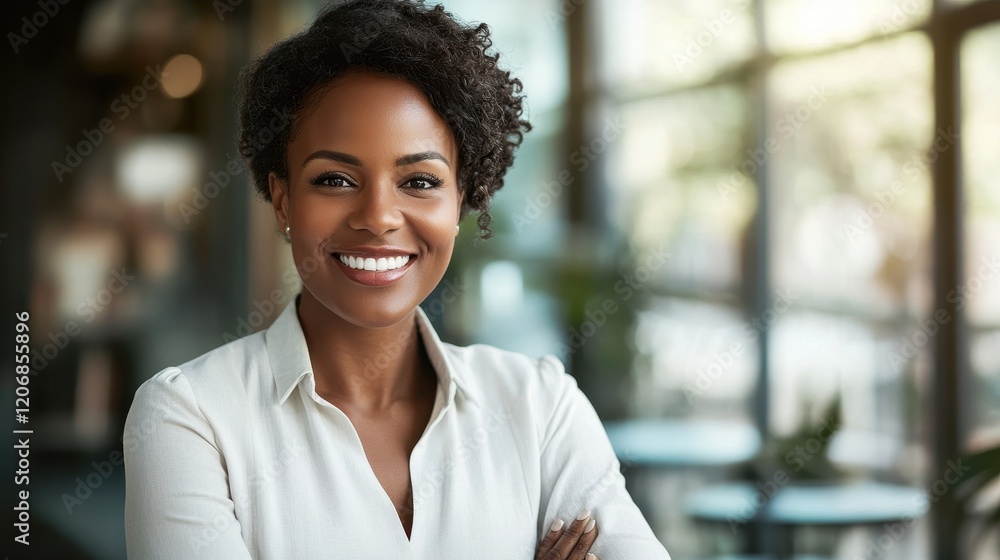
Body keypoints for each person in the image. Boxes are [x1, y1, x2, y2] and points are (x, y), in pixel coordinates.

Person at [123, 1, 671, 559]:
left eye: (419, 180)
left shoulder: (540, 407)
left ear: (463, 199)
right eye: (335, 179)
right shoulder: (191, 418)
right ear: (283, 198)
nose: (379, 216)